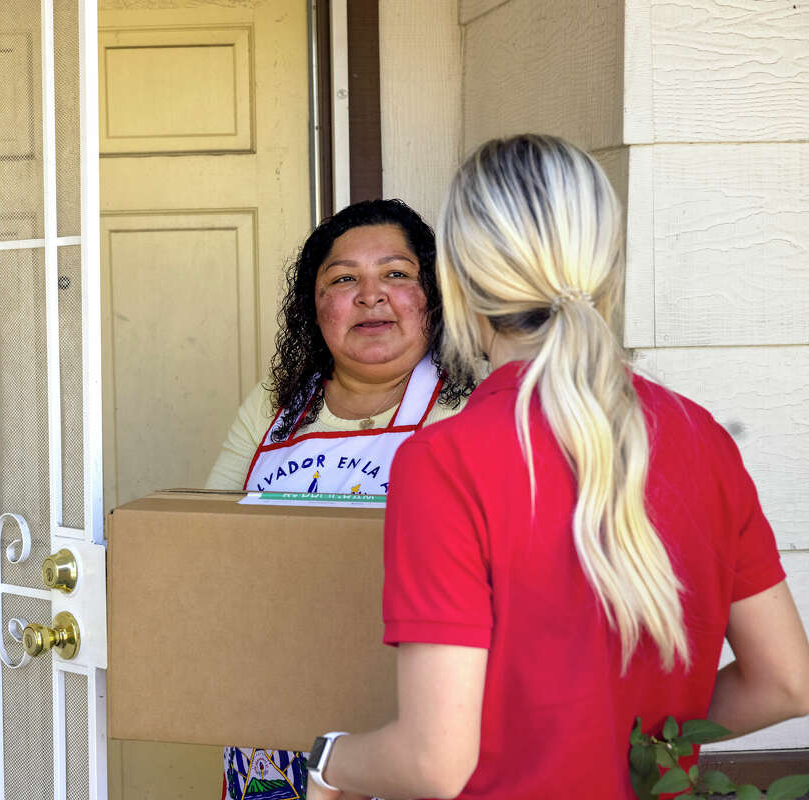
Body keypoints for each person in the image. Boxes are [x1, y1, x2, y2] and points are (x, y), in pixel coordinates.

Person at [301, 134, 809, 800]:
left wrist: (328, 762)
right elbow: (784, 683)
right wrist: (631, 738)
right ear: (608, 264)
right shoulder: (701, 437)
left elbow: (433, 762)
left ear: (456, 281)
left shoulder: (444, 461)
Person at [206, 199, 476, 800]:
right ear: (315, 306)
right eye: (343, 279)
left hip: (418, 711)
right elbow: (212, 537)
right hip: (275, 709)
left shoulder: (473, 407)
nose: (371, 295)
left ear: (433, 295)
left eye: (397, 274)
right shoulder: (274, 408)